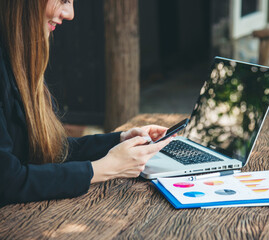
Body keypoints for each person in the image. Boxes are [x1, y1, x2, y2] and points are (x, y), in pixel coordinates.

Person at [0, 0, 172, 206]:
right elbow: (7, 180)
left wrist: (118, 141)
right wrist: (104, 168)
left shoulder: (18, 58)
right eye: (63, 0)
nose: (70, 14)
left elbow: (50, 151)